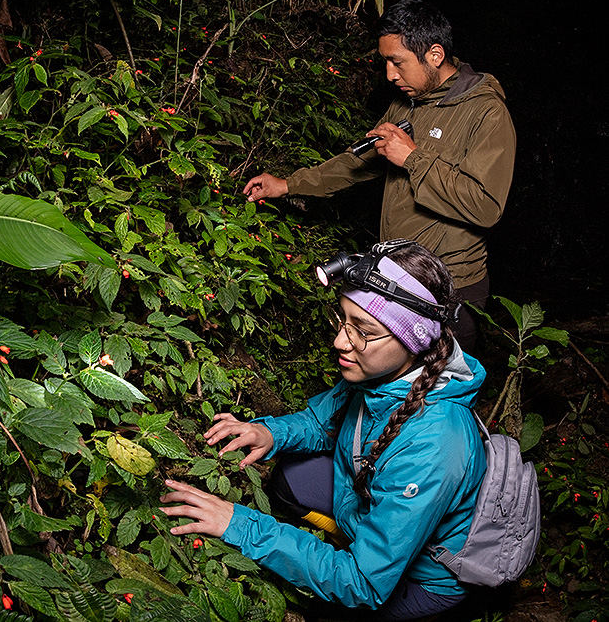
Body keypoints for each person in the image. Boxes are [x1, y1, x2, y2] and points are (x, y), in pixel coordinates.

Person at [160, 240, 487, 621]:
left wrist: (240, 525)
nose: (340, 342)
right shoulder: (383, 373)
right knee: (289, 479)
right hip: (362, 498)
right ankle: (349, 540)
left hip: (423, 579)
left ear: (411, 340)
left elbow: (363, 582)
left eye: (363, 330)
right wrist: (269, 433)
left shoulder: (437, 442)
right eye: (343, 321)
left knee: (326, 609)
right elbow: (322, 422)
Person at [241, 0, 516, 353]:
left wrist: (414, 159)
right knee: (394, 387)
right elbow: (359, 160)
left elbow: (486, 206)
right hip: (397, 275)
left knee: (441, 394)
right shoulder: (408, 101)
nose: (389, 75)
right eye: (386, 62)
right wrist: (290, 184)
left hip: (450, 286)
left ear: (434, 54)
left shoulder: (486, 113)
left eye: (397, 62)